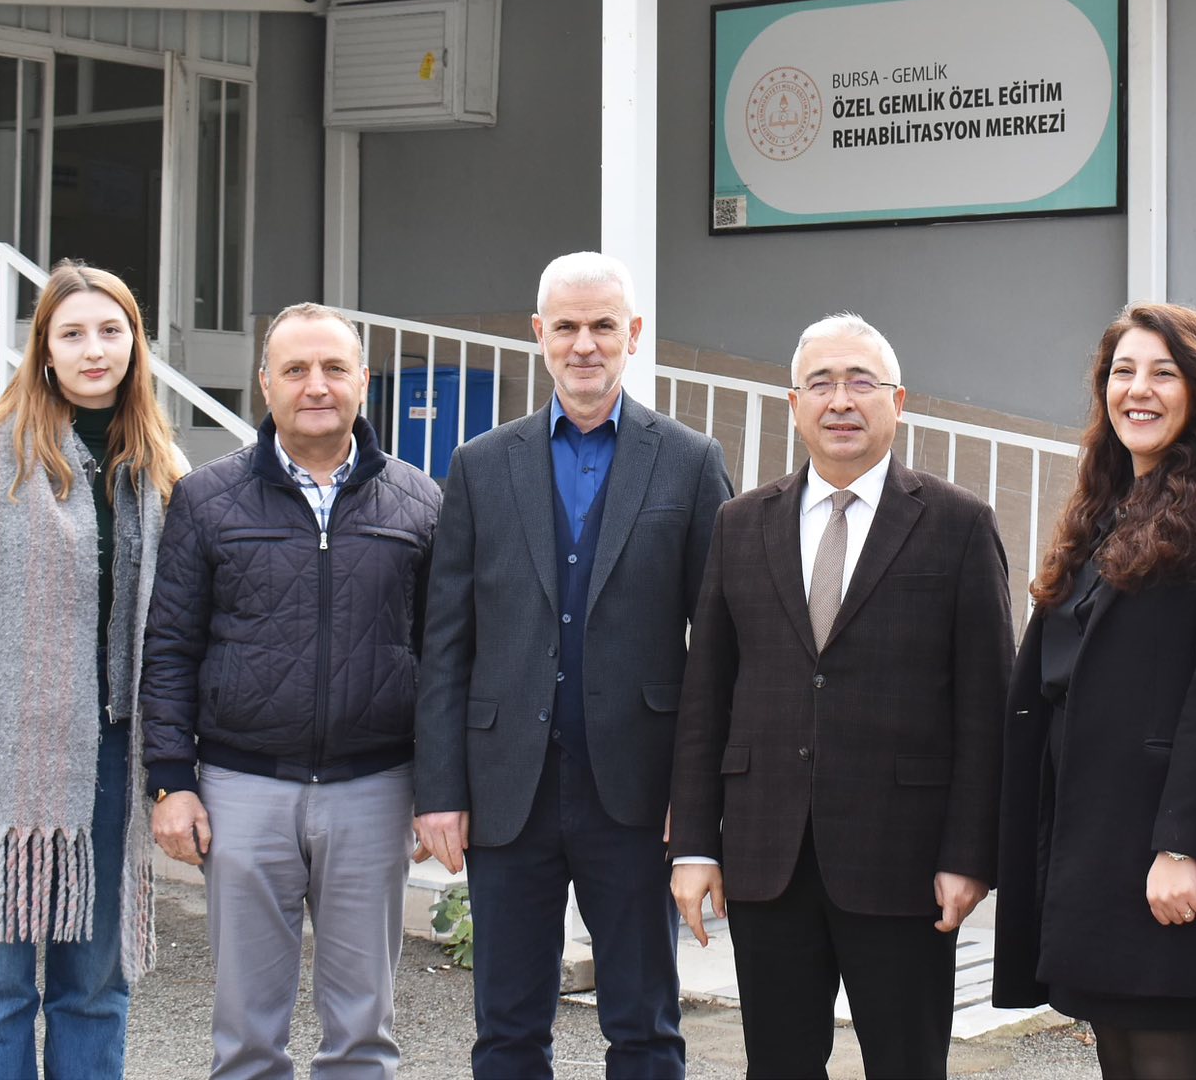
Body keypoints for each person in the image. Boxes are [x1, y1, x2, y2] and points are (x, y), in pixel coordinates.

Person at [669, 313, 1013, 1080]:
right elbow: (705, 698)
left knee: (907, 1066)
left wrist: (970, 856)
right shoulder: (739, 524)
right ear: (794, 405)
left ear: (898, 400)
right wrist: (694, 845)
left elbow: (987, 709)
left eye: (861, 382)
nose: (841, 400)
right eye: (820, 384)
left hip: (905, 863)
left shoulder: (959, 525)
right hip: (767, 855)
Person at [414, 252, 731, 1079]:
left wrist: (697, 798)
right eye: (566, 327)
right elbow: (445, 641)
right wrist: (440, 789)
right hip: (507, 790)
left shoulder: (690, 460)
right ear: (539, 335)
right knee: (507, 1030)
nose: (584, 344)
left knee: (645, 1026)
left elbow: (719, 645)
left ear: (633, 334)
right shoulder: (481, 464)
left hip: (637, 792)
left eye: (602, 326)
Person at [140, 302, 442, 1079]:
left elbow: (443, 658)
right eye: (296, 369)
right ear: (265, 382)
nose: (316, 385)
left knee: (363, 1032)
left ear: (362, 382)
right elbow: (170, 646)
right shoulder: (206, 499)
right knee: (247, 1035)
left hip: (374, 789)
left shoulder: (420, 503)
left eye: (334, 368)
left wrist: (438, 786)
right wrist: (171, 779)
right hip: (243, 789)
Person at [992, 303, 1196, 1079]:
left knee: (1159, 1043)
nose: (1139, 389)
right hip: (1086, 834)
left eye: (1163, 372)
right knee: (1117, 1045)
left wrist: (1181, 847)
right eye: (1122, 372)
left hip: (1162, 836)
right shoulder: (1102, 510)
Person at [0, 260, 185, 1079]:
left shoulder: (162, 473)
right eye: (73, 333)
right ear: (45, 349)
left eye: (111, 330)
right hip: (0, 768)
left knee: (94, 987)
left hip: (114, 762)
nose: (94, 349)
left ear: (134, 343)